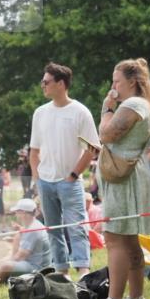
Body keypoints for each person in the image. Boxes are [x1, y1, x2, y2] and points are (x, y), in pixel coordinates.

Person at [88, 59, 150, 299]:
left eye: (116, 81)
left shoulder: (133, 104)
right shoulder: (140, 104)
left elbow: (107, 134)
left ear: (131, 82)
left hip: (124, 179)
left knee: (116, 239)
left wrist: (106, 109)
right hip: (126, 176)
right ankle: (136, 298)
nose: (113, 86)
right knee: (129, 241)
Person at [29, 62, 100, 279]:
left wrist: (73, 175)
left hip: (70, 182)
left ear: (61, 84)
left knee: (76, 226)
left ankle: (83, 270)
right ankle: (61, 270)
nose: (43, 86)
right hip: (45, 181)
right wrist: (36, 179)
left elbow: (92, 149)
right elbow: (34, 150)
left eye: (46, 82)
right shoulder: (40, 113)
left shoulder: (80, 112)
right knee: (53, 229)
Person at [0, 199, 52, 297]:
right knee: (6, 267)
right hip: (40, 264)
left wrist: (9, 263)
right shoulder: (34, 225)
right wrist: (16, 237)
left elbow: (21, 256)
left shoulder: (32, 230)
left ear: (23, 212)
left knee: (5, 266)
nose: (15, 214)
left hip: (37, 268)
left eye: (17, 211)